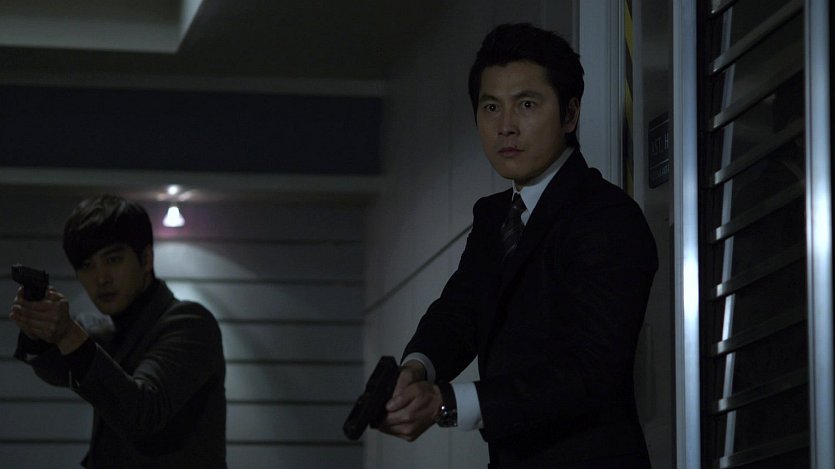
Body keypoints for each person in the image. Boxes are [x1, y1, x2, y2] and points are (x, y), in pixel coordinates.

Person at [378, 23, 658, 469]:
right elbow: (459, 312)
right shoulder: (495, 217)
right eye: (491, 107)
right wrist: (415, 370)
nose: (506, 126)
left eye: (527, 104)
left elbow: (592, 371)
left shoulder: (606, 216)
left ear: (570, 114)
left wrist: (446, 403)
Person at [10, 194, 227, 468]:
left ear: (145, 259)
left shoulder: (190, 323)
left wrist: (67, 334)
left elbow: (143, 414)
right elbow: (57, 368)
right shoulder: (109, 330)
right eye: (87, 266)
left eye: (113, 259)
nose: (101, 278)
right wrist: (37, 332)